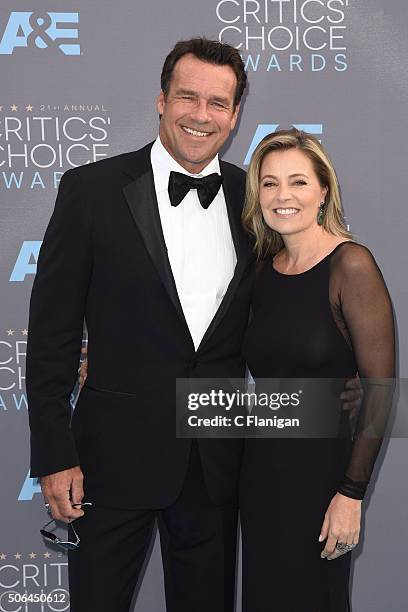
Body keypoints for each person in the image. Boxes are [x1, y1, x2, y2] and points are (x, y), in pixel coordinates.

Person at [26, 37, 252, 612]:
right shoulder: (92, 190)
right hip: (108, 461)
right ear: (160, 100)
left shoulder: (255, 200)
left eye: (218, 103)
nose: (201, 116)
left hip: (215, 460)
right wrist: (54, 452)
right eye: (187, 96)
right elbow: (52, 333)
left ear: (235, 114)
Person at [240, 128, 395, 611]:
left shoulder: (352, 265)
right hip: (261, 475)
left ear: (323, 190)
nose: (282, 196)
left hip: (324, 479)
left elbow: (382, 392)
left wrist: (351, 495)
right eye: (269, 184)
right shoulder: (262, 269)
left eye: (298, 182)